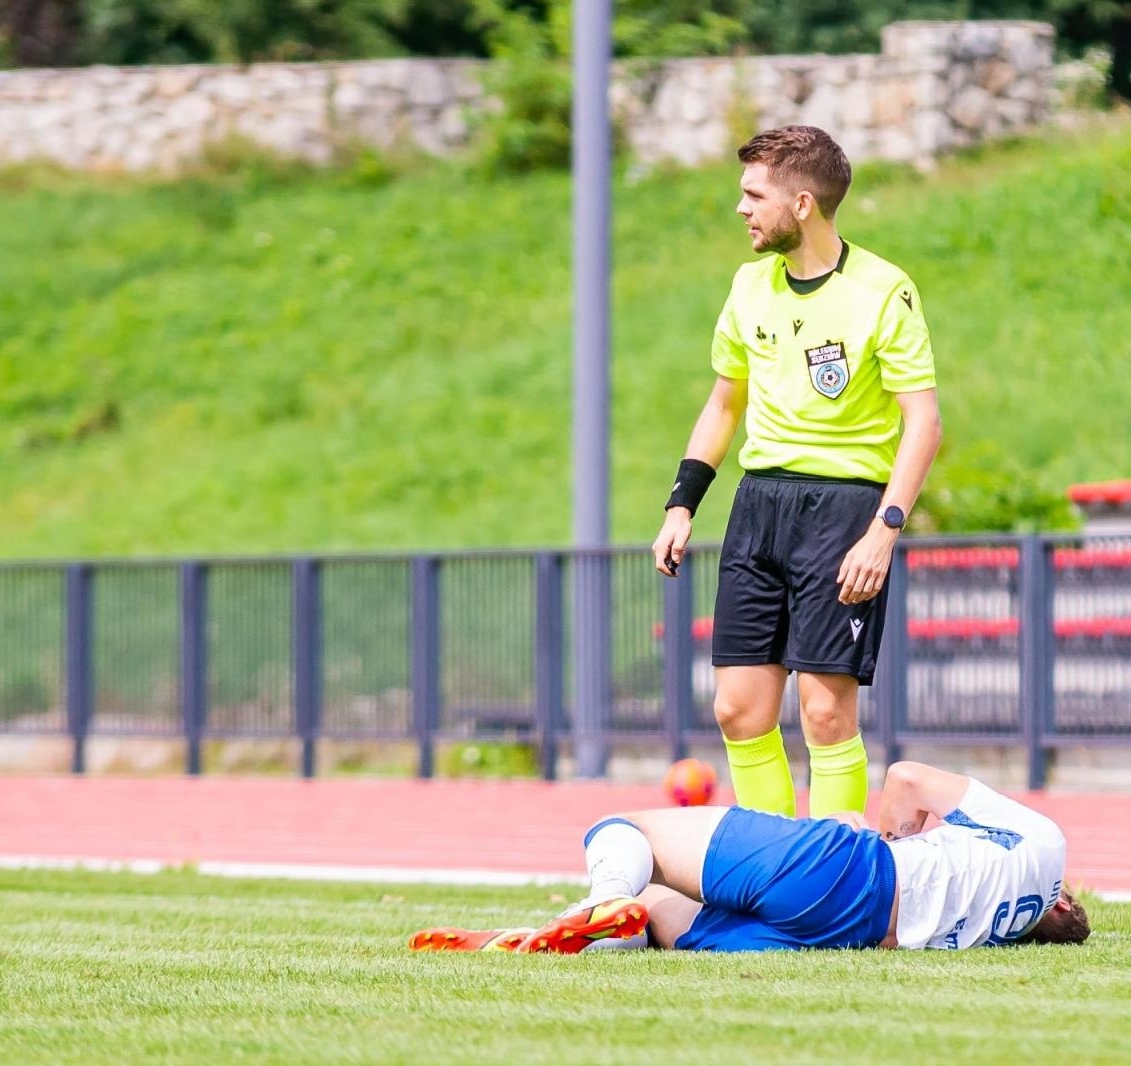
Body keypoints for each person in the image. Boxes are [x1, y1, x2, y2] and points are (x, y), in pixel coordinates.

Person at [652, 125, 943, 821]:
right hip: (760, 507)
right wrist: (681, 505)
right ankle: (775, 871)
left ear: (804, 203)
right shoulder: (750, 286)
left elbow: (924, 423)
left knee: (824, 712)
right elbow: (724, 405)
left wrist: (884, 531)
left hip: (845, 512)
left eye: (754, 194)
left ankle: (833, 869)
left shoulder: (883, 290)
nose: (741, 208)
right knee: (737, 707)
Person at [407, 761, 1089, 954]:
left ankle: (594, 902)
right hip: (844, 938)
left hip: (850, 869)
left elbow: (908, 779)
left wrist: (891, 834)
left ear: (1063, 898)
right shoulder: (1000, 929)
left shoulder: (1045, 846)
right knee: (653, 908)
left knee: (625, 828)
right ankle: (589, 927)